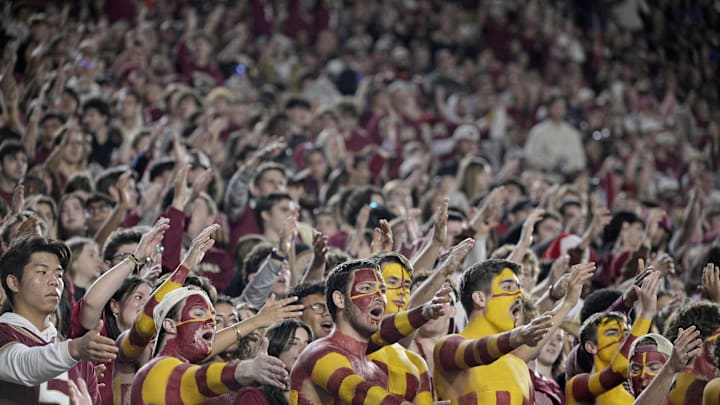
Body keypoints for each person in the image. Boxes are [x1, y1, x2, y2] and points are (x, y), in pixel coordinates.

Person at [433, 259, 592, 404]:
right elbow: (477, 351)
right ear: (480, 299)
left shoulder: (519, 366)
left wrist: (568, 303)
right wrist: (518, 336)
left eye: (519, 288)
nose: (519, 295)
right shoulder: (447, 347)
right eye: (508, 287)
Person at [0, 236, 118, 404]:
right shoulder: (4, 334)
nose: (54, 281)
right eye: (42, 272)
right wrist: (74, 349)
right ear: (13, 283)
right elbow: (23, 365)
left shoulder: (81, 361)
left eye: (59, 274)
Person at [564, 271, 660, 405]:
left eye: (627, 334)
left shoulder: (634, 390)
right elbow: (617, 369)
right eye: (612, 332)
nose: (623, 339)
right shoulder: (577, 386)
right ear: (591, 346)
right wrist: (646, 312)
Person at [235, 319, 313, 405]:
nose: (303, 350)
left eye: (307, 344)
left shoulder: (313, 395)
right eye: (293, 343)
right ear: (275, 348)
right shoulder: (252, 396)